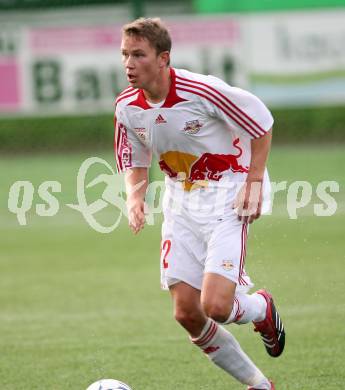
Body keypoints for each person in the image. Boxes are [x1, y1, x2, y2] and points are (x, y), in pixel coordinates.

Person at [114, 17, 285, 390]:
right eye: (125, 54)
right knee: (187, 313)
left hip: (229, 191)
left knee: (218, 307)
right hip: (181, 199)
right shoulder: (127, 106)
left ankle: (259, 307)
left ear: (163, 59)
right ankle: (259, 385)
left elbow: (261, 122)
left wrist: (254, 182)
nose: (128, 63)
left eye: (138, 54)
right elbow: (134, 156)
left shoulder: (202, 91)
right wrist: (135, 197)